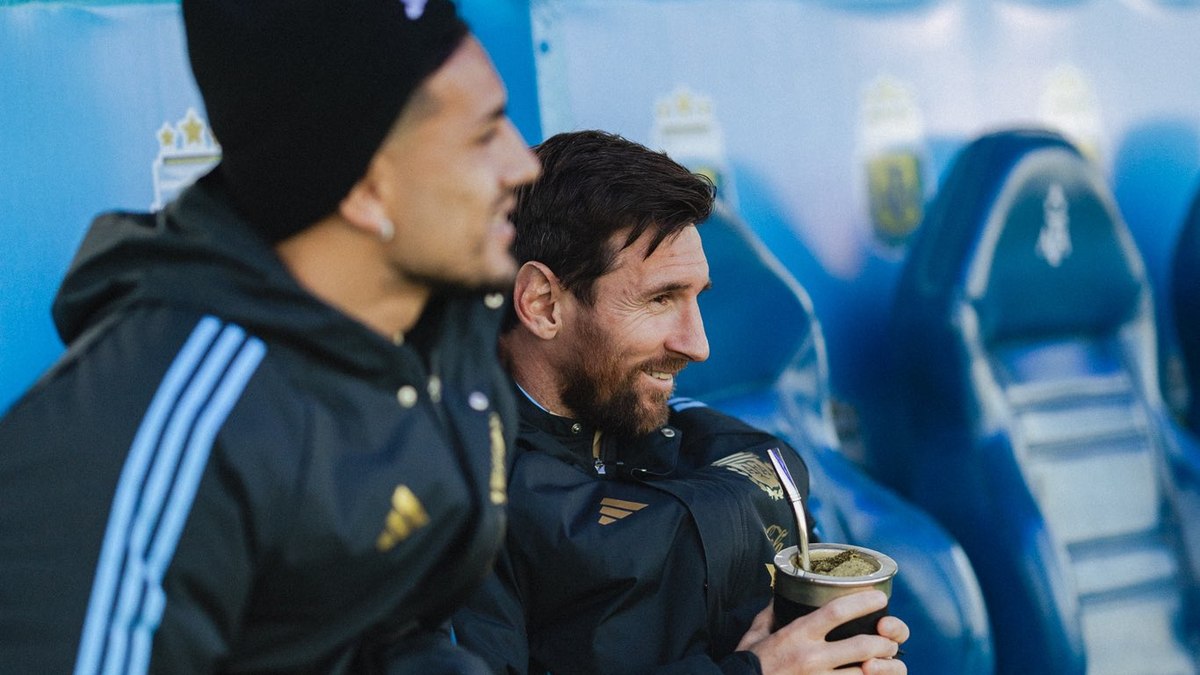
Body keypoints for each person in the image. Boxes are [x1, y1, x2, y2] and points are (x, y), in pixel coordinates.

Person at [0, 0, 540, 672]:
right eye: (484, 135)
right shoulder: (162, 424)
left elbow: (383, 630)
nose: (524, 164)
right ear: (365, 190)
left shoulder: (440, 333)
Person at [452, 130, 909, 675]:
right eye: (661, 299)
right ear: (543, 303)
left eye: (696, 298)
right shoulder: (456, 496)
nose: (697, 345)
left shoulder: (730, 449)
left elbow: (791, 641)